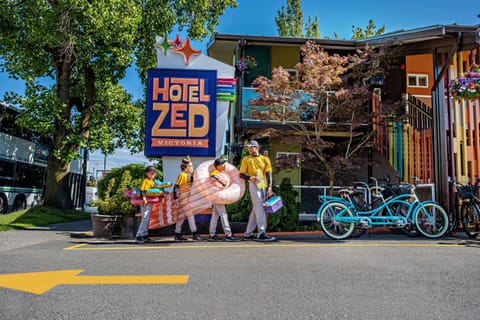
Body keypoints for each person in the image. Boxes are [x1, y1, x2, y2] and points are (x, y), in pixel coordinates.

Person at [239, 140, 276, 241]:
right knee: (260, 208)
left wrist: (270, 187)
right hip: (253, 184)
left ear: (257, 147)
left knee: (256, 208)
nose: (250, 149)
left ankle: (248, 232)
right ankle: (262, 232)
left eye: (252, 147)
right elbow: (241, 174)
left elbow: (269, 174)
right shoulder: (246, 159)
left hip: (263, 185)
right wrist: (250, 178)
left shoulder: (265, 159)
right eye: (249, 148)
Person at [208, 157, 241, 241]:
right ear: (218, 166)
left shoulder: (219, 172)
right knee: (223, 214)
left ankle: (212, 234)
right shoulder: (215, 173)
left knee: (215, 215)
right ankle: (228, 234)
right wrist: (222, 182)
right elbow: (214, 179)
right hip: (218, 196)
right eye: (223, 163)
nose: (224, 165)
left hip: (216, 196)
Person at [174, 157, 201, 241]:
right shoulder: (182, 175)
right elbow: (176, 186)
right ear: (185, 167)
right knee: (190, 215)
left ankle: (177, 233)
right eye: (190, 166)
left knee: (181, 217)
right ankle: (194, 233)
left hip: (184, 197)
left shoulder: (186, 175)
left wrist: (192, 174)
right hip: (183, 197)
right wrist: (175, 198)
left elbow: (190, 183)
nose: (191, 168)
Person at [135, 166, 157, 244]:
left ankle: (145, 235)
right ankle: (139, 236)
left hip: (150, 202)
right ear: (146, 173)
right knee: (145, 219)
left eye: (153, 173)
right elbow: (143, 191)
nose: (152, 174)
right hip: (146, 202)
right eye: (150, 173)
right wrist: (144, 199)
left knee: (147, 219)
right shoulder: (146, 180)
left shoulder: (152, 181)